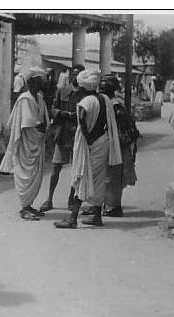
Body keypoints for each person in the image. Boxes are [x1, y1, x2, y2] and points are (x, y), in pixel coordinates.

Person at [54, 69, 122, 229]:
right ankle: (97, 216)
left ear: (84, 87)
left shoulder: (86, 102)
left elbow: (82, 118)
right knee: (99, 180)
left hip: (91, 143)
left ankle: (72, 218)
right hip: (103, 142)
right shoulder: (104, 99)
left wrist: (87, 136)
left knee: (81, 177)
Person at [0, 67, 49, 221]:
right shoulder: (25, 99)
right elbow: (28, 124)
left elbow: (43, 121)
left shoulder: (39, 98)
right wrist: (40, 127)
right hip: (26, 144)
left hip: (37, 142)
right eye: (39, 81)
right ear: (31, 81)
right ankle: (24, 208)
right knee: (25, 174)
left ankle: (29, 205)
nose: (42, 84)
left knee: (35, 175)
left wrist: (42, 127)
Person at [39, 64, 85, 212]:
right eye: (72, 74)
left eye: (77, 75)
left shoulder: (85, 94)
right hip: (63, 134)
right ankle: (49, 199)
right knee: (55, 168)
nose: (74, 77)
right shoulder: (62, 91)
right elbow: (52, 109)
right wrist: (62, 114)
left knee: (76, 169)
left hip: (78, 135)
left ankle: (71, 198)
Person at [100, 74, 139, 217]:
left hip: (118, 145)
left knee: (114, 177)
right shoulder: (109, 102)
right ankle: (108, 205)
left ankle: (113, 206)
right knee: (110, 176)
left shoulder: (115, 105)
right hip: (113, 144)